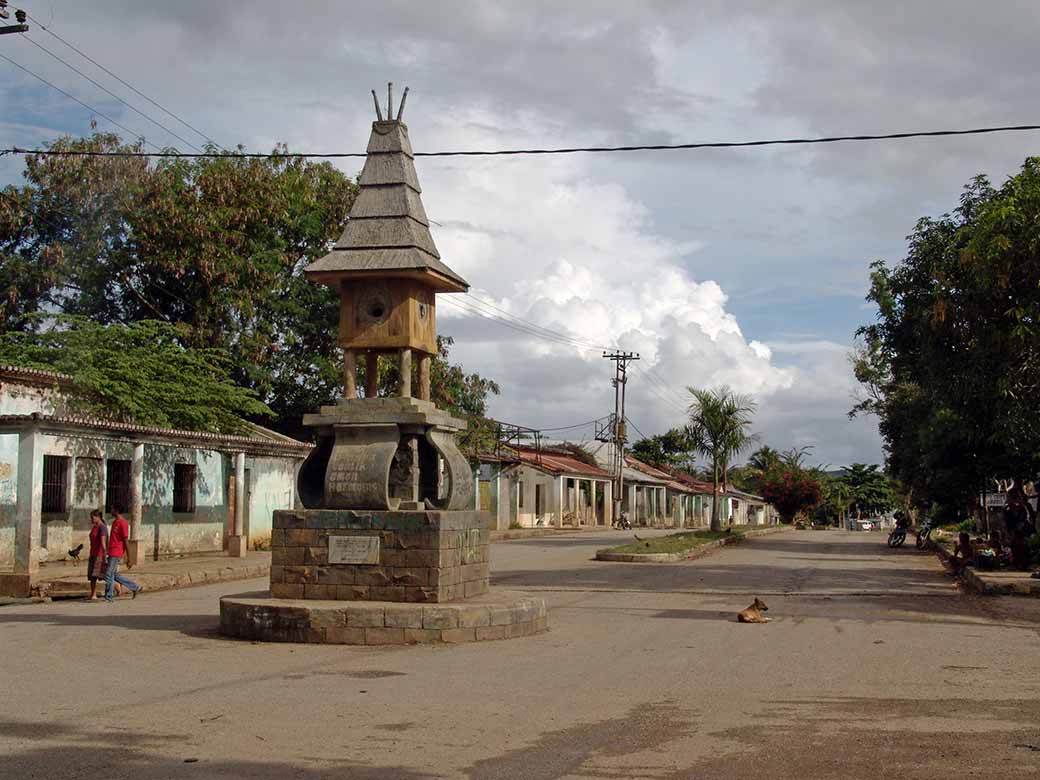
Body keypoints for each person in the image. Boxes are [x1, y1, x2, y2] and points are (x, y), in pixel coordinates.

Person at [105, 506, 142, 602]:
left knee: (108, 574)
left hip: (116, 552)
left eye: (112, 509)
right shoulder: (115, 522)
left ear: (117, 510)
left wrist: (129, 558)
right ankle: (135, 587)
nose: (111, 510)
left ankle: (109, 596)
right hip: (111, 551)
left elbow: (126, 541)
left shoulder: (123, 523)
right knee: (114, 575)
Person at [86, 510, 108, 601]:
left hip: (99, 554)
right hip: (93, 553)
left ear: (98, 517)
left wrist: (105, 555)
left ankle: (116, 586)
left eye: (92, 517)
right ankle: (93, 594)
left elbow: (103, 542)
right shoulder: (94, 527)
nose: (91, 519)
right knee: (92, 575)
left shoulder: (102, 527)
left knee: (98, 575)